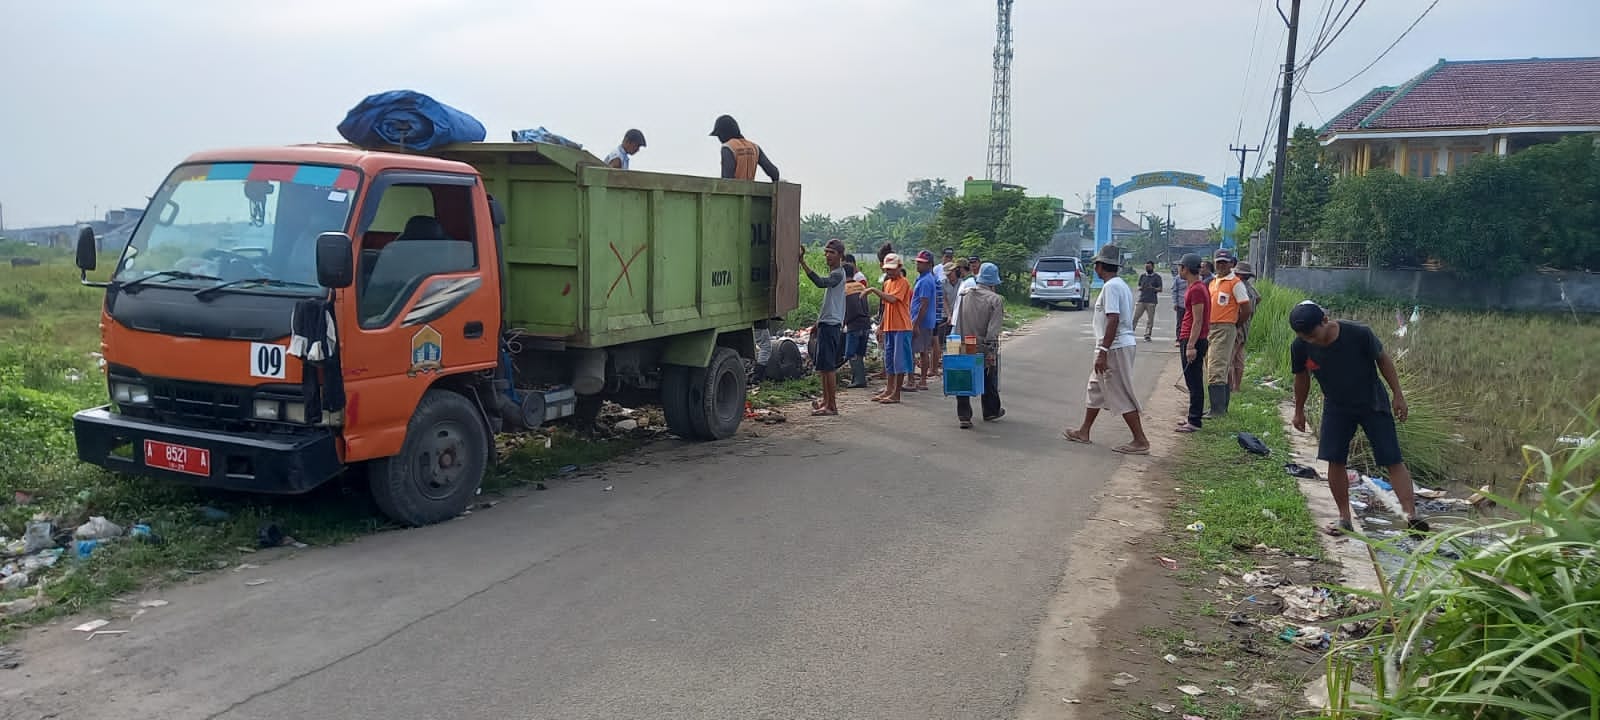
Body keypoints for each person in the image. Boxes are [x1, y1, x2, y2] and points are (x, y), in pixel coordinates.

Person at [1289, 301, 1431, 537]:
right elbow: (1301, 378)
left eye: (1313, 335)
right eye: (1304, 337)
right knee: (1334, 460)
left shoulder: (1358, 333)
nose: (1310, 341)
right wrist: (1299, 410)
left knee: (1391, 458)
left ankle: (1411, 516)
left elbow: (1383, 360)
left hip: (1372, 402)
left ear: (1325, 321)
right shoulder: (1300, 346)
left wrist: (1398, 394)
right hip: (1336, 405)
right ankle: (1345, 518)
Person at [1063, 245, 1150, 455]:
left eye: (1096, 265)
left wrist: (1103, 350)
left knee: (1119, 392)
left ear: (1101, 266)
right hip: (1115, 344)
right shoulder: (1119, 285)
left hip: (1114, 346)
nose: (1095, 268)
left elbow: (1113, 318)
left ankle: (1140, 440)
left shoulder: (1111, 287)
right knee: (1095, 388)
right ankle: (1084, 431)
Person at [954, 263, 1006, 428]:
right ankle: (990, 410)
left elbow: (957, 321)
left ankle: (964, 416)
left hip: (963, 341)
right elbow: (993, 330)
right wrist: (991, 350)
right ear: (993, 283)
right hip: (983, 345)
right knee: (989, 376)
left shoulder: (964, 294)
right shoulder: (995, 300)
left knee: (963, 377)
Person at [1204, 250, 1254, 416]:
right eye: (1218, 262)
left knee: (1217, 367)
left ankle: (1217, 410)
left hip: (1225, 327)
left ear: (1231, 263)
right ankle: (1219, 407)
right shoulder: (1213, 282)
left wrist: (1235, 324)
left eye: (1224, 262)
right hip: (1211, 327)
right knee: (1214, 365)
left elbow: (1246, 309)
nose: (1221, 265)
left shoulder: (1235, 283)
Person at [865, 253, 912, 404]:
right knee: (889, 360)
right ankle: (889, 389)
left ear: (899, 268)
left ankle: (896, 393)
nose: (889, 272)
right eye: (887, 270)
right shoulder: (887, 283)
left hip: (902, 326)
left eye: (892, 269)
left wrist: (872, 290)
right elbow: (886, 307)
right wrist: (881, 325)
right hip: (890, 326)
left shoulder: (903, 283)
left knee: (899, 361)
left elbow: (892, 299)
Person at [1173, 254, 1210, 433]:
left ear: (1185, 268)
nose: (1179, 270)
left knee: (1194, 381)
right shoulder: (1197, 287)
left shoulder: (1196, 289)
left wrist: (1190, 345)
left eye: (1180, 267)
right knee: (1191, 380)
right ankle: (1192, 416)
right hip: (1190, 337)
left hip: (1193, 339)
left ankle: (1194, 421)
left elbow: (1198, 319)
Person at [1229, 261, 1264, 393]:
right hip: (1246, 326)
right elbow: (1259, 298)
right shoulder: (1250, 288)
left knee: (1230, 357)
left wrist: (1237, 323)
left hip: (1237, 325)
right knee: (1238, 357)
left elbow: (1244, 308)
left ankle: (1230, 387)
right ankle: (1236, 387)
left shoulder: (1239, 288)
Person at [710, 115, 779, 181]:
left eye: (719, 135)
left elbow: (727, 179)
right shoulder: (755, 148)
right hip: (751, 192)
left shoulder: (728, 147)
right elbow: (774, 173)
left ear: (724, 133)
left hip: (733, 192)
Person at [910, 250, 941, 391]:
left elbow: (924, 304)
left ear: (929, 264)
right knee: (921, 350)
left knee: (921, 351)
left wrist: (916, 323)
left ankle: (920, 380)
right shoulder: (923, 278)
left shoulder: (926, 281)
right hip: (922, 320)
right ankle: (917, 379)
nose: (918, 265)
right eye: (918, 262)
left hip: (922, 321)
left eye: (921, 263)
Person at [842, 261, 872, 389]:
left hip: (854, 325)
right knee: (860, 353)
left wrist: (842, 323)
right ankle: (858, 378)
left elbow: (844, 309)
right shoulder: (861, 286)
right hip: (866, 324)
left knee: (851, 353)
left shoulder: (844, 288)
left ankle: (859, 380)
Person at [1134, 260, 1163, 342]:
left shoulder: (1157, 277)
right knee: (1135, 317)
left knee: (1150, 319)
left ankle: (1147, 335)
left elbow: (1160, 289)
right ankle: (1130, 333)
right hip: (1142, 299)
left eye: (1149, 267)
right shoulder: (1142, 276)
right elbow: (1138, 286)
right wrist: (1141, 288)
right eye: (1146, 267)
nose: (1147, 268)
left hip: (1151, 301)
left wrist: (1153, 288)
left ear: (1153, 267)